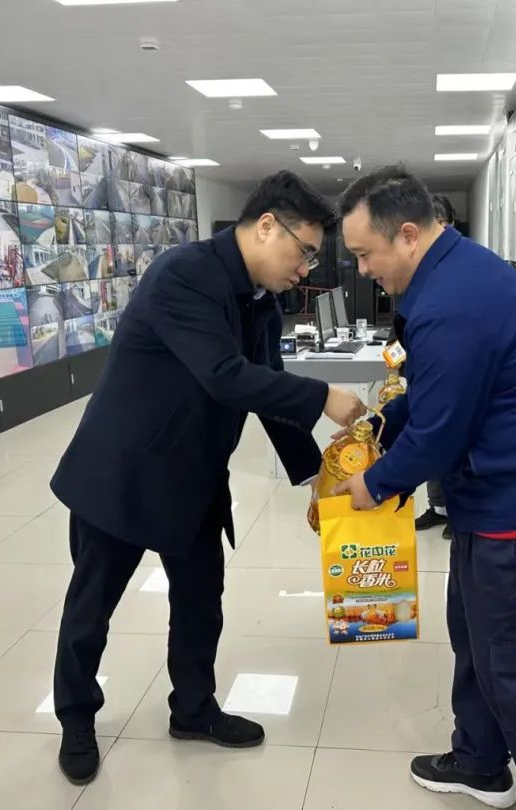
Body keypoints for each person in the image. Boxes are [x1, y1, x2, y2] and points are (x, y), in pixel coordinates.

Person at [49, 170, 367, 785]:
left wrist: (319, 474)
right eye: (303, 251)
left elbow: (267, 385)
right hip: (123, 471)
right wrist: (324, 395)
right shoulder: (184, 274)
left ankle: (193, 709)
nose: (305, 268)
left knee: (200, 602)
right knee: (91, 606)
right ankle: (76, 717)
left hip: (193, 475)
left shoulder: (261, 301)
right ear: (266, 226)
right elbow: (224, 375)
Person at [334, 166, 516, 810]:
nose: (363, 269)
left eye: (366, 254)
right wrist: (383, 424)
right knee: (476, 644)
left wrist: (373, 483)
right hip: (494, 510)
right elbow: (439, 396)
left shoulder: (452, 304)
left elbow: (440, 436)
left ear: (407, 235)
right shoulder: (455, 274)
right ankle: (480, 760)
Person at [413, 192, 455, 539]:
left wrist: (381, 482)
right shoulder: (422, 274)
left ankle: (456, 511)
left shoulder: (460, 275)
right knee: (432, 450)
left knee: (448, 446)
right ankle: (437, 507)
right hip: (427, 378)